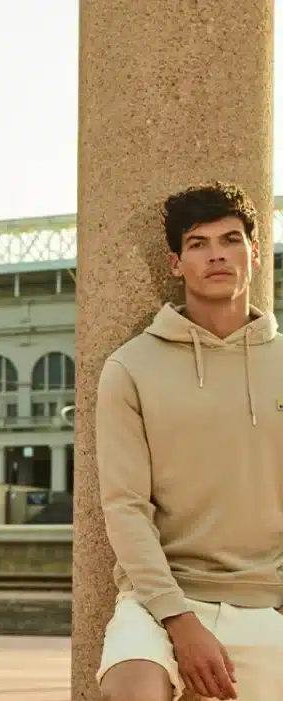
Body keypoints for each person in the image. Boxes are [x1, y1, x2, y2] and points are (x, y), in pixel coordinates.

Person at [94, 181, 283, 701]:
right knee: (132, 691)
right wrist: (179, 620)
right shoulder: (130, 367)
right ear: (176, 263)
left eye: (230, 240)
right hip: (159, 601)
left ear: (254, 252)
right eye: (198, 244)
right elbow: (125, 506)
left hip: (267, 601)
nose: (217, 255)